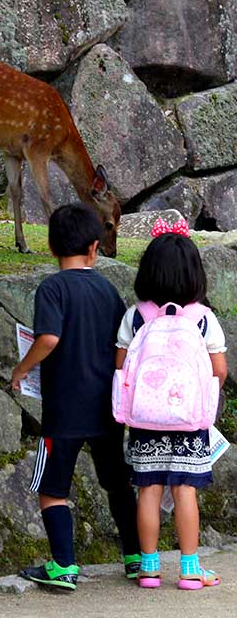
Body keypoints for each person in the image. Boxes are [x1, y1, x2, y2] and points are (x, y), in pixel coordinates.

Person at [11, 203, 140, 591]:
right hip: (107, 408)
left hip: (64, 408)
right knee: (116, 481)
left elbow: (49, 338)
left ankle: (63, 566)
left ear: (51, 248)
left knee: (52, 488)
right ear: (94, 248)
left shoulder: (52, 288)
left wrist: (22, 369)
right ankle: (136, 557)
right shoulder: (108, 289)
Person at [115, 223, 228, 590]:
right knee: (185, 491)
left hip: (147, 420)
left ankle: (148, 568)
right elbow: (219, 370)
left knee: (147, 489)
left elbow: (121, 366)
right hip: (188, 421)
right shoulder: (203, 319)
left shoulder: (135, 316)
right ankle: (190, 569)